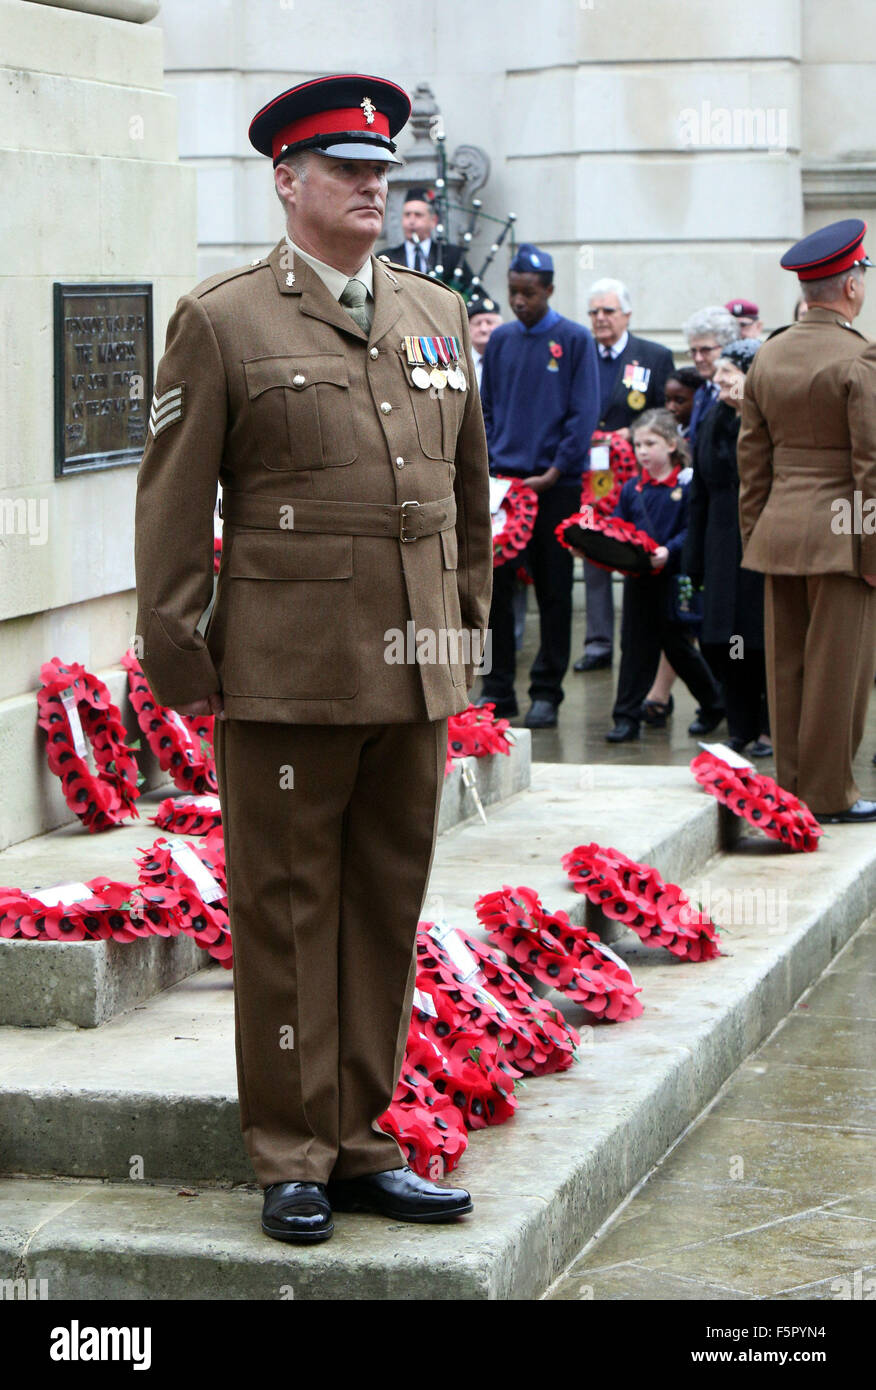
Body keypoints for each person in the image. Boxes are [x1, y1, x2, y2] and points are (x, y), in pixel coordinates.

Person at [134, 73, 493, 1243]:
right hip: (289, 668)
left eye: (382, 173)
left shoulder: (435, 316)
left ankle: (363, 1139)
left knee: (386, 902)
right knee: (289, 911)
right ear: (287, 182)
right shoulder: (224, 318)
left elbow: (467, 503)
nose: (372, 190)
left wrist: (464, 633)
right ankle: (291, 1151)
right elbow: (175, 509)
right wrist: (184, 663)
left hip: (413, 665)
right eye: (347, 171)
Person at [738, 217, 876, 823]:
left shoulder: (767, 356)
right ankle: (828, 793)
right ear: (850, 286)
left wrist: (754, 539)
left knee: (787, 665)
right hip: (843, 537)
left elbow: (753, 465)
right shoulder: (860, 358)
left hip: (779, 530)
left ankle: (791, 786)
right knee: (836, 672)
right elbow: (871, 469)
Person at [477, 243, 600, 727]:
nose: (519, 301)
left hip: (555, 485)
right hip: (504, 487)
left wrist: (556, 468)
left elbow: (583, 411)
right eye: (513, 293)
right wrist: (488, 462)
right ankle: (497, 691)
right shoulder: (502, 340)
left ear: (548, 290)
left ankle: (547, 691)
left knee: (553, 590)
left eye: (529, 292)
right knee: (495, 592)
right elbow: (485, 407)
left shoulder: (573, 339)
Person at [599, 410, 723, 743]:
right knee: (635, 648)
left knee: (678, 647)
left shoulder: (687, 485)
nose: (642, 450)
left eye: (650, 443)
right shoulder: (630, 489)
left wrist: (669, 551)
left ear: (671, 445)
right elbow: (618, 526)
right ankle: (626, 717)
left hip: (673, 579)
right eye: (638, 444)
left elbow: (692, 529)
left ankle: (713, 702)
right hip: (640, 579)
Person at [575, 278, 675, 674]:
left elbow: (668, 415)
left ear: (627, 314)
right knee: (594, 548)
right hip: (593, 475)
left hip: (640, 473)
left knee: (641, 548)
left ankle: (649, 634)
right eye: (594, 312)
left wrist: (633, 434)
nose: (600, 319)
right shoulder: (579, 353)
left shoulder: (653, 355)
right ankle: (598, 642)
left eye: (608, 311)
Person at [684, 339, 771, 754]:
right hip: (720, 540)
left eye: (727, 373)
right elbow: (698, 491)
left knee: (762, 636)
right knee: (725, 638)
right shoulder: (712, 420)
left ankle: (769, 728)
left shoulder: (768, 420)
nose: (716, 379)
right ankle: (740, 725)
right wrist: (693, 561)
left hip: (761, 538)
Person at [382, 186, 475, 292]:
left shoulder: (451, 256)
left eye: (418, 215)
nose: (411, 221)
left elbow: (475, 295)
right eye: (407, 215)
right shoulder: (386, 259)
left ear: (433, 221)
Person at [683, 305, 738, 449]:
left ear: (727, 347)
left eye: (705, 350)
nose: (698, 358)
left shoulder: (736, 391)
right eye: (693, 351)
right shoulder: (701, 392)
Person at [467, 294, 503, 390]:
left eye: (489, 322)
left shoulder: (510, 358)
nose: (484, 329)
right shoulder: (461, 362)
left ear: (501, 326)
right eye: (478, 323)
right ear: (468, 328)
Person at [663, 366, 701, 437]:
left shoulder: (702, 435)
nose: (670, 408)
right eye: (667, 400)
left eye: (680, 401)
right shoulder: (668, 433)